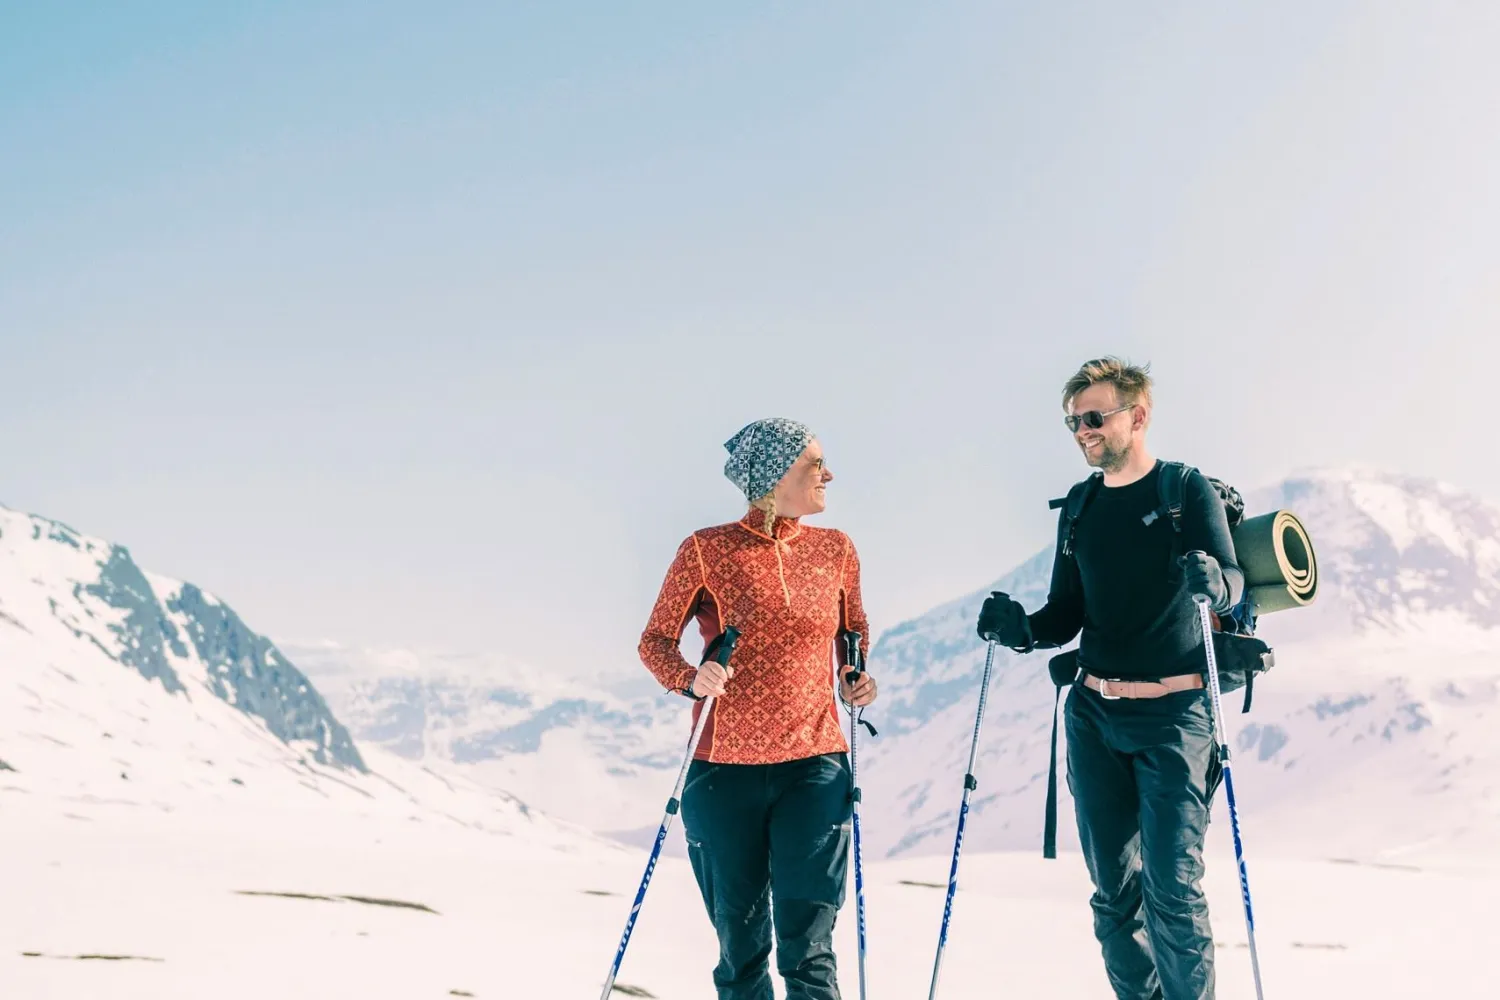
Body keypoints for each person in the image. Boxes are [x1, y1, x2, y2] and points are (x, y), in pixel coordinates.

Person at [976, 358, 1241, 1000]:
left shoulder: (1182, 490)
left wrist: (1218, 584)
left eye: (1094, 418)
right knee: (1114, 897)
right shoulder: (1080, 507)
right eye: (1073, 422)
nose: (1082, 432)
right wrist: (1022, 630)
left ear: (1137, 416)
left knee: (1173, 892)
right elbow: (1066, 613)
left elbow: (1229, 586)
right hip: (1094, 717)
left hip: (1176, 719)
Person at [638, 417, 878, 1000]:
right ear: (774, 477)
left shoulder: (836, 550)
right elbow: (655, 642)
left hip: (815, 765)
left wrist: (854, 675)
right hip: (722, 774)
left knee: (809, 950)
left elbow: (854, 630)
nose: (828, 475)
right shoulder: (706, 550)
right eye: (813, 465)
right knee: (741, 954)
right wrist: (691, 679)